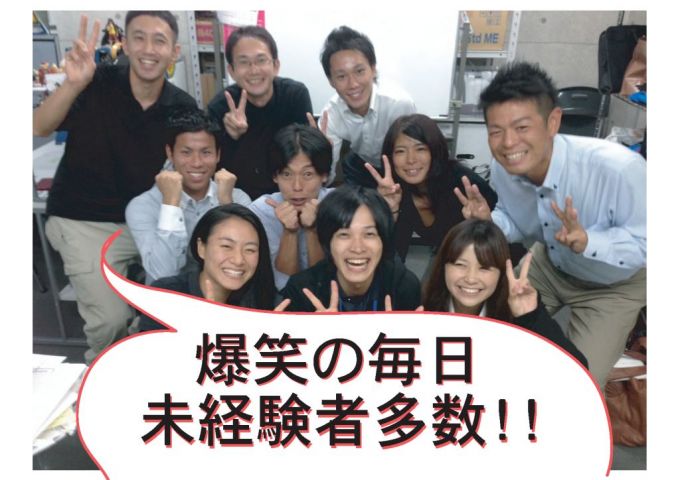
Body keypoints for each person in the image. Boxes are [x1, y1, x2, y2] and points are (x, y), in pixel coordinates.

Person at [454, 61, 646, 386]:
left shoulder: (619, 169)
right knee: (488, 335)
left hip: (613, 287)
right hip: (548, 264)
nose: (508, 143)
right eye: (496, 131)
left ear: (553, 121)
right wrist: (490, 221)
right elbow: (517, 221)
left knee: (578, 381)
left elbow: (647, 246)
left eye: (521, 127)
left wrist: (590, 242)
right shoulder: (504, 168)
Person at [33, 12, 197, 363]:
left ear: (174, 51)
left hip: (146, 216)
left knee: (182, 299)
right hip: (85, 220)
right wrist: (72, 84)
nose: (148, 49)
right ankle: (104, 374)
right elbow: (39, 126)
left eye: (159, 40)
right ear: (125, 44)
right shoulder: (96, 82)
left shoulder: (181, 105)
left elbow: (194, 156)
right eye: (139, 37)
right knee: (110, 320)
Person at [422, 219, 588, 367]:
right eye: (460, 265)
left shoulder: (516, 313)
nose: (471, 278)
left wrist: (530, 318)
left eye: (484, 268)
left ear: (501, 273)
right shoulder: (421, 309)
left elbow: (577, 368)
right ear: (443, 266)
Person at [126, 108, 251, 285]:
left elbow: (241, 264)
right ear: (170, 153)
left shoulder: (236, 198)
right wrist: (171, 205)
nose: (197, 163)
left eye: (206, 152)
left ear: (218, 155)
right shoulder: (143, 206)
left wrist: (227, 206)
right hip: (169, 299)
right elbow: (164, 274)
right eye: (186, 152)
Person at [368, 113, 497, 263]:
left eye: (420, 149)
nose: (411, 160)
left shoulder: (465, 185)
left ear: (435, 150)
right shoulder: (396, 190)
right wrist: (389, 211)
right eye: (400, 151)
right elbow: (395, 254)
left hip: (486, 258)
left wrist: (484, 224)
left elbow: (500, 240)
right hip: (448, 255)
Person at [139, 204, 287, 331]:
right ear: (201, 248)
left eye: (250, 250)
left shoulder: (266, 302)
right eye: (226, 246)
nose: (238, 260)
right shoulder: (166, 297)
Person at [207, 26, 313, 199]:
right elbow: (215, 171)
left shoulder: (294, 95)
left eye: (261, 60)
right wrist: (231, 137)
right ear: (232, 71)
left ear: (276, 65)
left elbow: (306, 158)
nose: (254, 70)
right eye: (244, 62)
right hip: (240, 199)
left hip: (289, 195)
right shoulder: (220, 106)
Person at [281, 185, 421, 312]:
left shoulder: (403, 286)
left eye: (369, 234)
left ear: (383, 240)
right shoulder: (302, 290)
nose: (357, 248)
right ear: (327, 241)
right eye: (344, 235)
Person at [319, 26, 416, 186]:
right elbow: (325, 179)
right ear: (331, 81)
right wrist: (322, 158)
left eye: (359, 71)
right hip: (361, 165)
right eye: (341, 76)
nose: (353, 84)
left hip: (397, 166)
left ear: (373, 69)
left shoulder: (398, 104)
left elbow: (411, 159)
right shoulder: (330, 115)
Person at [249, 124, 333, 291]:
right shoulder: (260, 211)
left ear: (324, 175)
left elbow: (323, 284)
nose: (297, 186)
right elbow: (284, 285)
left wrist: (311, 230)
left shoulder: (340, 205)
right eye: (287, 174)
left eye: (307, 174)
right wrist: (289, 232)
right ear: (275, 176)